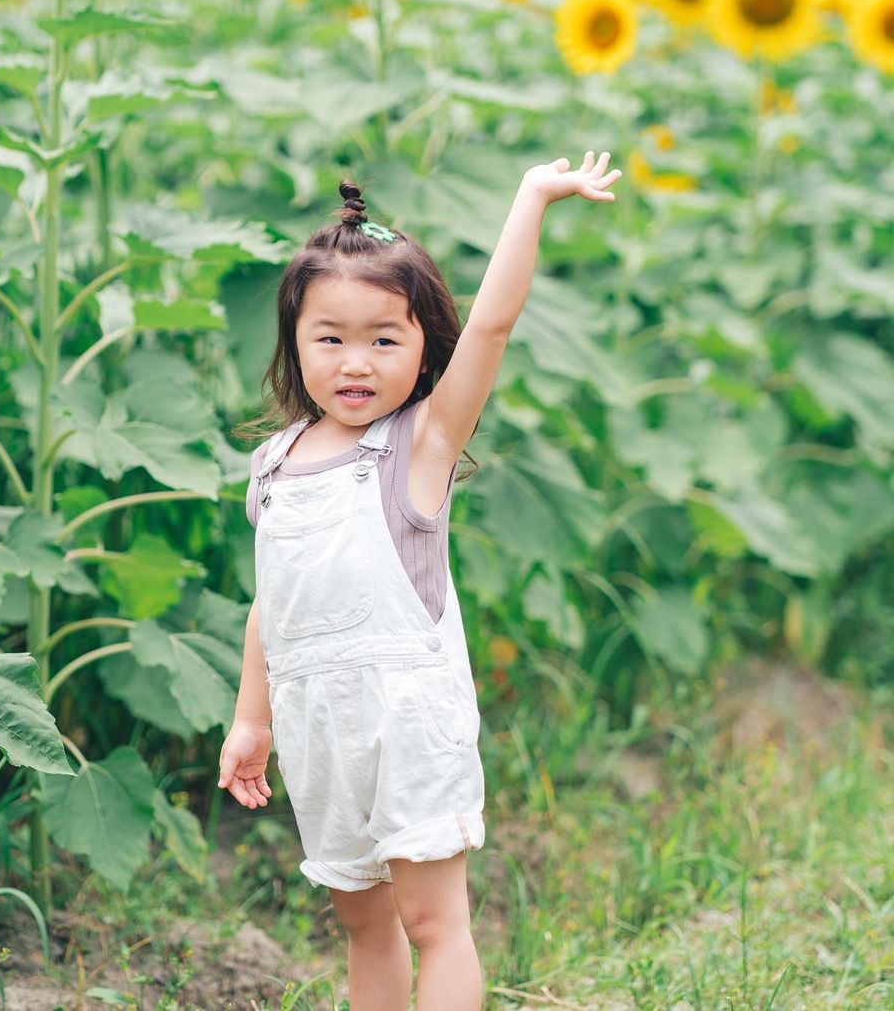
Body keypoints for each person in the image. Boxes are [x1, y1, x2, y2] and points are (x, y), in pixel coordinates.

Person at [219, 153, 621, 1011]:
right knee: (364, 925)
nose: (355, 362)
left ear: (422, 346)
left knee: (434, 924)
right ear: (293, 341)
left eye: (384, 339)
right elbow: (271, 606)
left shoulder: (418, 449)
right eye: (330, 338)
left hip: (407, 723)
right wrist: (252, 718)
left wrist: (531, 197)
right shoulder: (272, 466)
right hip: (317, 727)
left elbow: (492, 328)